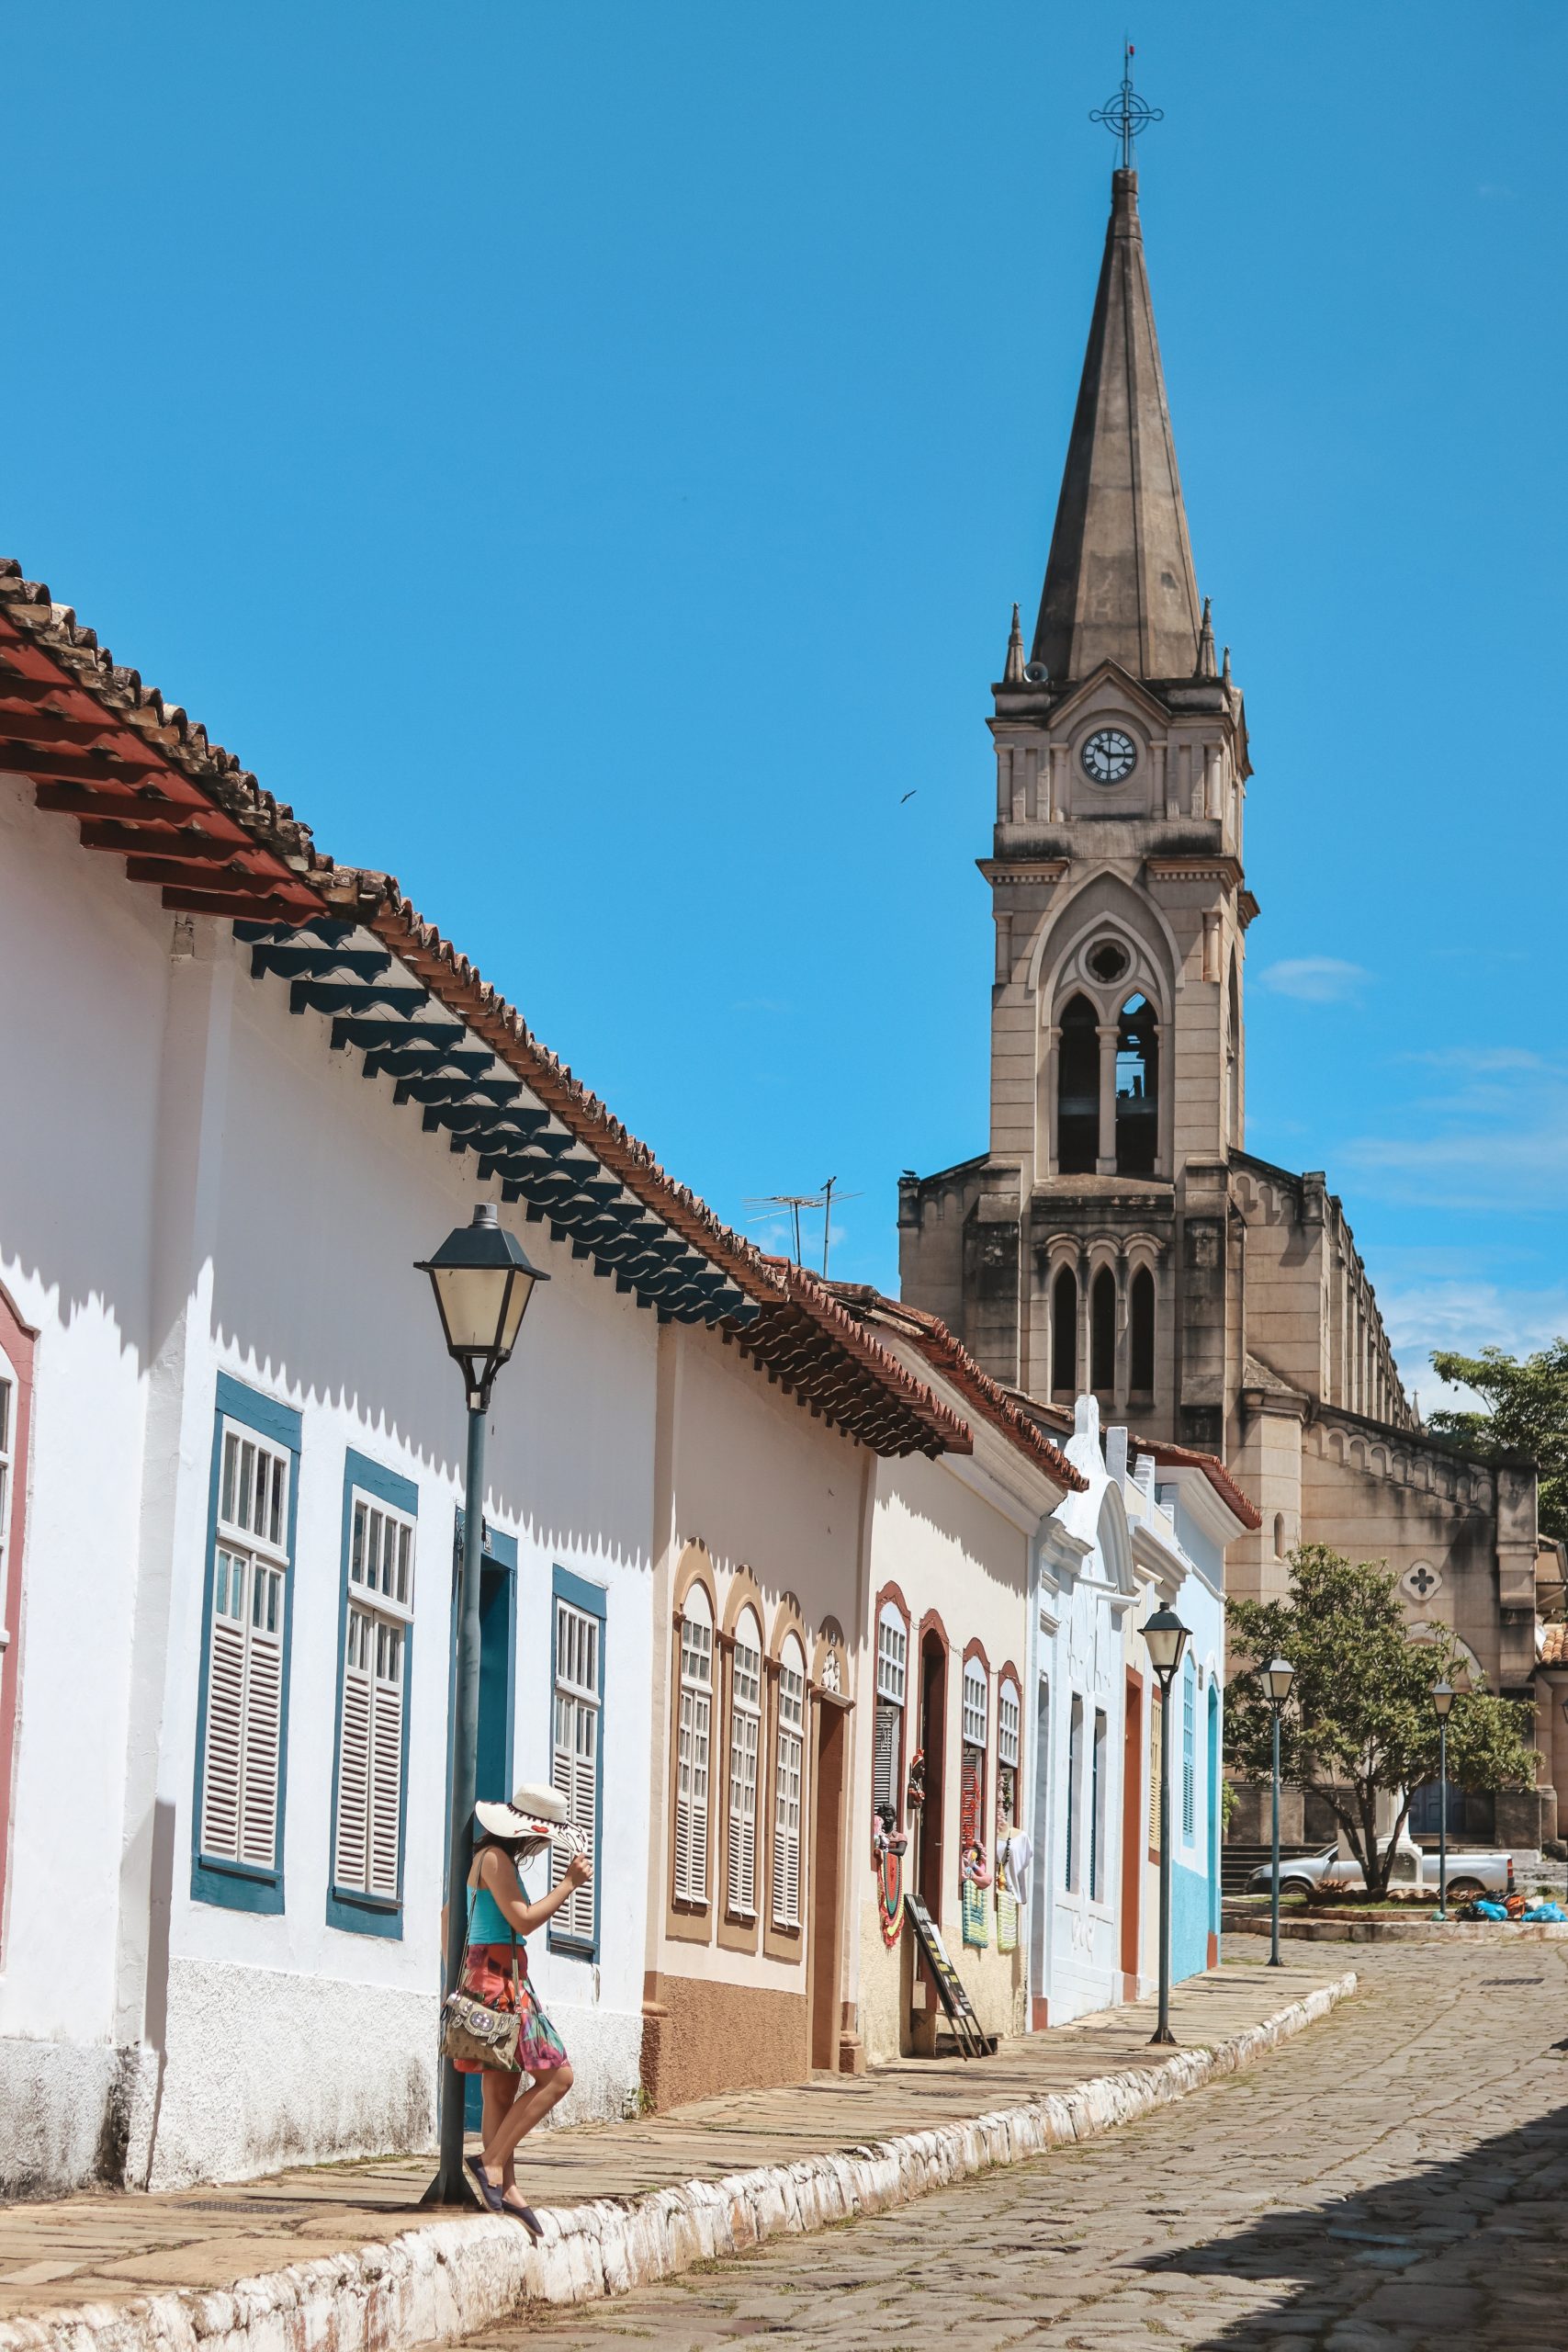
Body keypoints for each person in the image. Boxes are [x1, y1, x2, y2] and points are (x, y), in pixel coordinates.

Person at [451, 1781, 592, 2225]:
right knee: (558, 2076)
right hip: (500, 1982)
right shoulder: (494, 1860)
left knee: (500, 2090)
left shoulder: (494, 1860)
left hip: (498, 1975)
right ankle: (491, 2161)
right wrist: (568, 1884)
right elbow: (524, 1921)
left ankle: (506, 2187)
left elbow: (447, 1916)